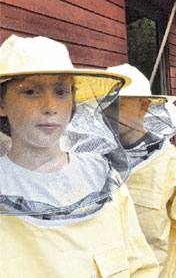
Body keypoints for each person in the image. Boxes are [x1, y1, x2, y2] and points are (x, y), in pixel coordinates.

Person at [0, 35, 159, 276]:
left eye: (61, 92)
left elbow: (140, 265)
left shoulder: (103, 177)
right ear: (2, 103)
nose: (50, 106)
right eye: (31, 91)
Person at [106, 64, 176, 278]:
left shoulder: (166, 160)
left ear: (144, 106)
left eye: (116, 105)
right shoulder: (98, 160)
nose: (107, 113)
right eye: (104, 105)